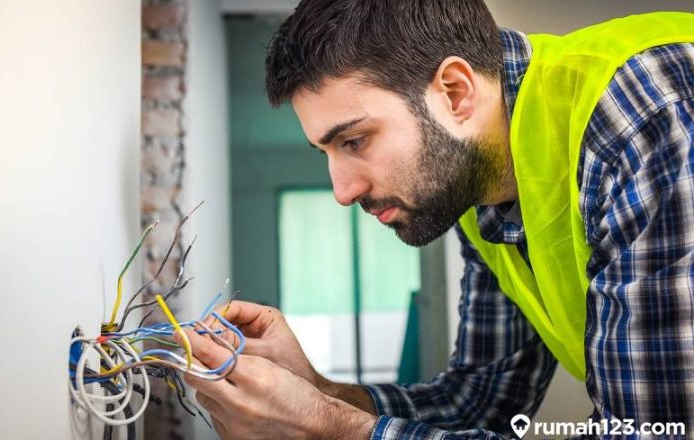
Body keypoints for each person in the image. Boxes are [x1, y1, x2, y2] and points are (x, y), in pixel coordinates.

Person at [182, 1, 694, 438]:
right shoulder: (481, 183)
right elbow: (479, 401)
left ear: (454, 92)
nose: (342, 191)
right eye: (327, 153)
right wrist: (319, 392)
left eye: (355, 140)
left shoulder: (642, 114)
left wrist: (328, 427)